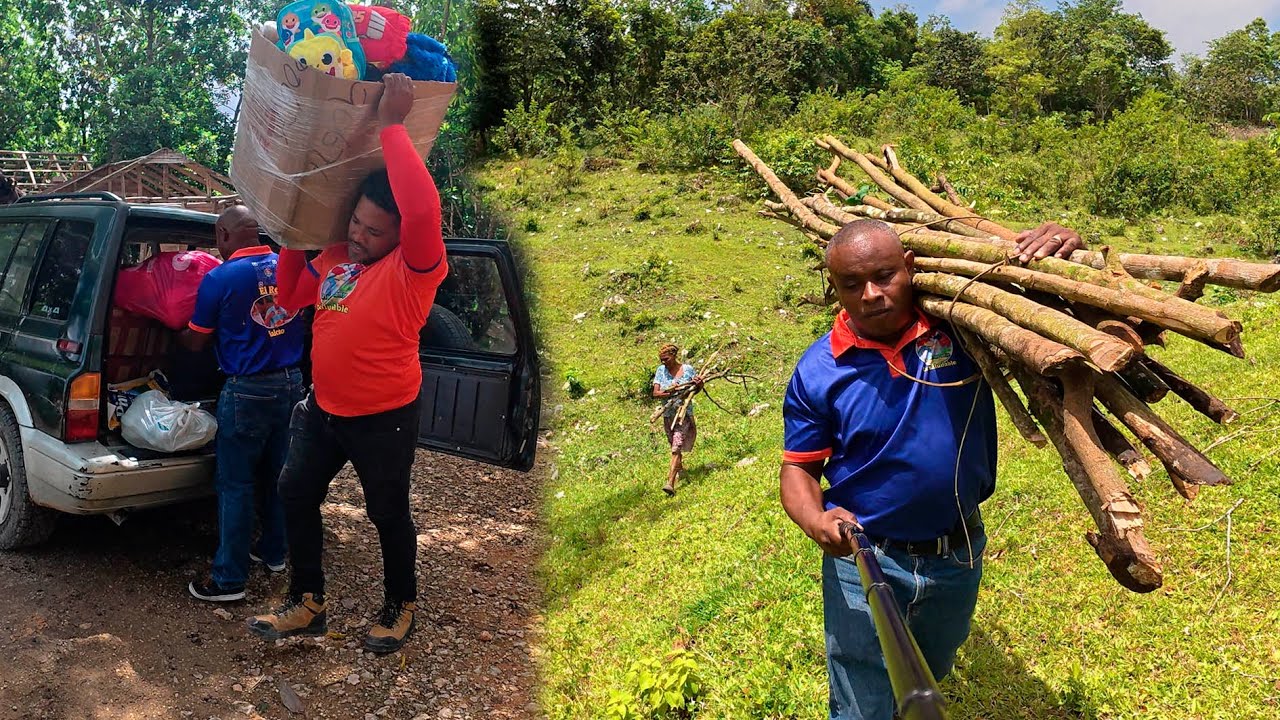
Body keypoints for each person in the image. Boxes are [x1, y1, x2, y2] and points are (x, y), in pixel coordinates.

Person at [779, 219, 1082, 719]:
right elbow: (799, 469)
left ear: (911, 268)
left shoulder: (964, 328)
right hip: (864, 555)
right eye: (852, 285)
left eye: (884, 276)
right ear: (834, 287)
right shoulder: (819, 369)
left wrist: (1064, 249)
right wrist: (815, 520)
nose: (872, 295)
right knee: (862, 698)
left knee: (931, 667)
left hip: (957, 549)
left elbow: (1057, 319)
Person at [247, 73, 448, 655]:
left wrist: (390, 126)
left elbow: (422, 205)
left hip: (383, 413)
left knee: (386, 511)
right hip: (323, 409)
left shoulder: (415, 269)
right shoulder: (336, 259)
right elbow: (289, 298)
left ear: (399, 235)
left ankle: (400, 602)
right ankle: (307, 601)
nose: (358, 235)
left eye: (373, 230)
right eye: (355, 222)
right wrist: (292, 230)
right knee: (294, 492)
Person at [184, 205, 306, 603]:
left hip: (247, 391)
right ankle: (274, 553)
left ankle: (228, 580)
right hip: (292, 386)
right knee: (278, 476)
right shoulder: (289, 267)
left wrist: (175, 340)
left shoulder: (218, 279)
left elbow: (196, 342)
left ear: (223, 236)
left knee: (235, 485)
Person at [652, 343, 702, 496]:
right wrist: (670, 392)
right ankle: (680, 471)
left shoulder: (687, 370)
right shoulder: (661, 371)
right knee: (673, 445)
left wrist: (699, 384)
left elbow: (695, 389)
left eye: (666, 359)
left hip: (682, 415)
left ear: (673, 356)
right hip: (668, 415)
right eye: (661, 360)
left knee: (676, 447)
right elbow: (656, 393)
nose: (663, 363)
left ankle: (670, 483)